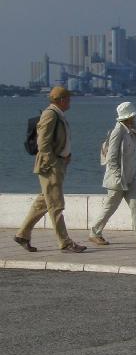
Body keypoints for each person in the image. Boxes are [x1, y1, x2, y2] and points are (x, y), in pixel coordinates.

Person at [14, 86, 87, 253]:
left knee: (44, 201)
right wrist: (53, 162)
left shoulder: (58, 114)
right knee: (56, 205)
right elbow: (43, 143)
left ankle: (22, 235)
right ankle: (65, 243)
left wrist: (65, 155)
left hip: (58, 163)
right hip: (50, 166)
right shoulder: (50, 114)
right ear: (60, 100)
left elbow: (59, 140)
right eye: (68, 98)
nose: (70, 101)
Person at [89, 101, 136, 247]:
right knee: (110, 206)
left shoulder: (129, 130)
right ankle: (94, 232)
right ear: (128, 116)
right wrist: (116, 177)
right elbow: (111, 158)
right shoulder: (117, 132)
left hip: (131, 176)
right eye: (133, 116)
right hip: (118, 179)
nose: (135, 118)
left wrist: (134, 127)